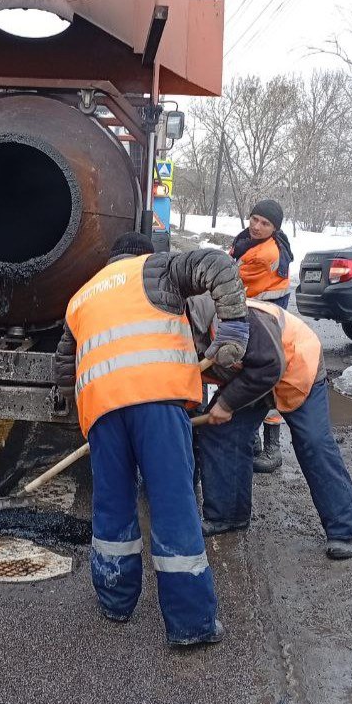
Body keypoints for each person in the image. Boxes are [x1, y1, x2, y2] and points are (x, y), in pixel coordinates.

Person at [55, 232, 249, 646]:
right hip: (157, 402)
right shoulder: (157, 269)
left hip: (102, 410)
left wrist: (79, 417)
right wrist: (233, 332)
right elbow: (220, 266)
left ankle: (115, 601)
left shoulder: (82, 295)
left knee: (111, 506)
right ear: (144, 254)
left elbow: (63, 365)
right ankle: (190, 624)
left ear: (110, 260)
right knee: (173, 506)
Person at [189, 293, 352, 561]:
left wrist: (226, 404)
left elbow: (270, 365)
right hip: (250, 375)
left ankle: (343, 529)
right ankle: (227, 515)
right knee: (221, 433)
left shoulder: (235, 320)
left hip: (296, 364)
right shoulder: (184, 334)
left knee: (313, 442)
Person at [230, 198, 294, 474]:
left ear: (274, 228)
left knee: (266, 381)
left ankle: (272, 449)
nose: (256, 226)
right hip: (254, 316)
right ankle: (253, 442)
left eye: (264, 223)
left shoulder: (266, 254)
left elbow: (231, 278)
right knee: (246, 375)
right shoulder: (247, 240)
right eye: (254, 219)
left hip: (265, 320)